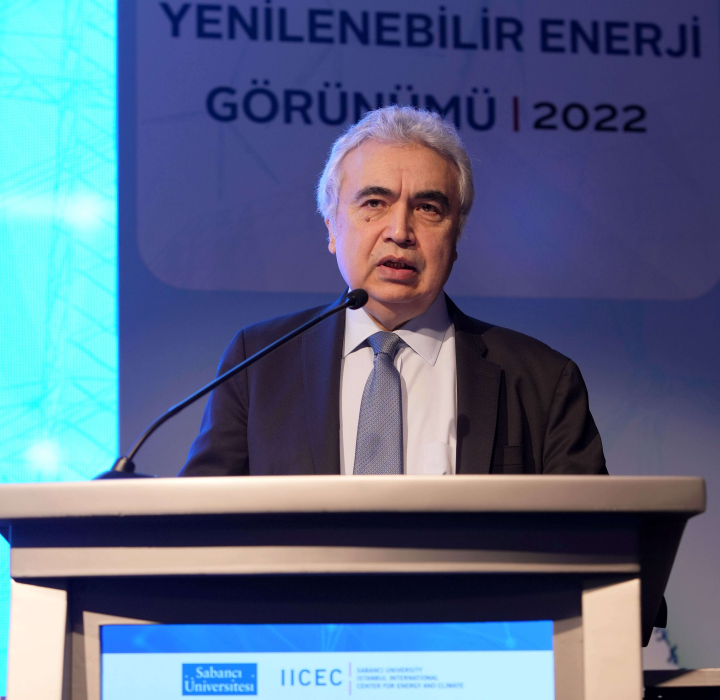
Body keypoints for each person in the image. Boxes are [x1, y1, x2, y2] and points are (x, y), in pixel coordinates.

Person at [181, 106, 606, 476]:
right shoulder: (258, 364)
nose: (400, 231)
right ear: (332, 228)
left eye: (428, 208)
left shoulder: (543, 380)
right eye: (374, 203)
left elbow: (592, 535)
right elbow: (198, 525)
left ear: (456, 235)